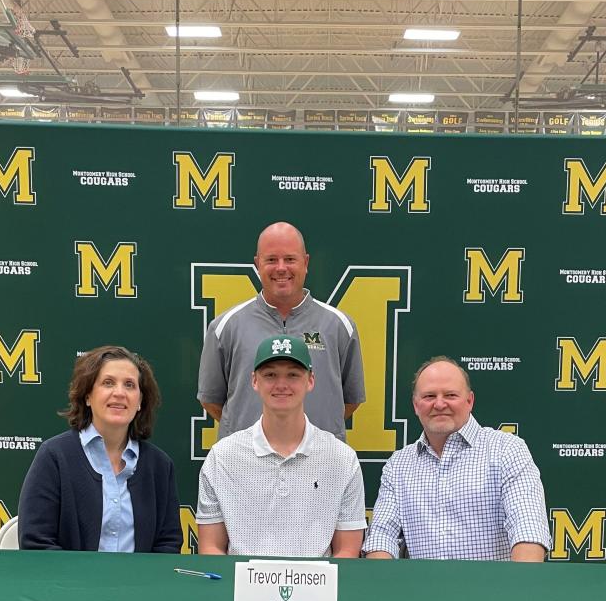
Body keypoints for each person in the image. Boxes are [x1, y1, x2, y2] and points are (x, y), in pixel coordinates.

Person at [363, 356, 551, 562]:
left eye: (451, 395)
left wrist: (517, 590)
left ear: (470, 401)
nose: (440, 403)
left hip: (495, 592)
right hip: (422, 592)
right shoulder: (398, 465)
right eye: (429, 396)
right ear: (416, 405)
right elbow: (382, 538)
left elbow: (528, 529)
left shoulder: (507, 450)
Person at [196, 335, 366, 558]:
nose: (281, 385)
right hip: (242, 590)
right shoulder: (222, 457)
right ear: (254, 381)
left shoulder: (342, 459)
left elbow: (347, 551)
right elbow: (211, 548)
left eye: (293, 375)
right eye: (270, 375)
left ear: (310, 380)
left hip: (317, 590)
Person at [197, 221, 365, 440]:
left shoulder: (340, 325)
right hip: (246, 465)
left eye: (290, 259)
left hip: (319, 463)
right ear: (257, 264)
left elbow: (350, 400)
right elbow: (211, 400)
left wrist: (308, 437)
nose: (281, 268)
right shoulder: (225, 326)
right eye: (271, 260)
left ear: (305, 263)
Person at [19, 345, 181, 552]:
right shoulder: (54, 457)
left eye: (130, 385)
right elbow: (36, 542)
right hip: (69, 583)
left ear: (140, 401)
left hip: (139, 583)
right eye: (108, 383)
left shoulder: (159, 465)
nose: (120, 393)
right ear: (87, 396)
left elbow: (168, 543)